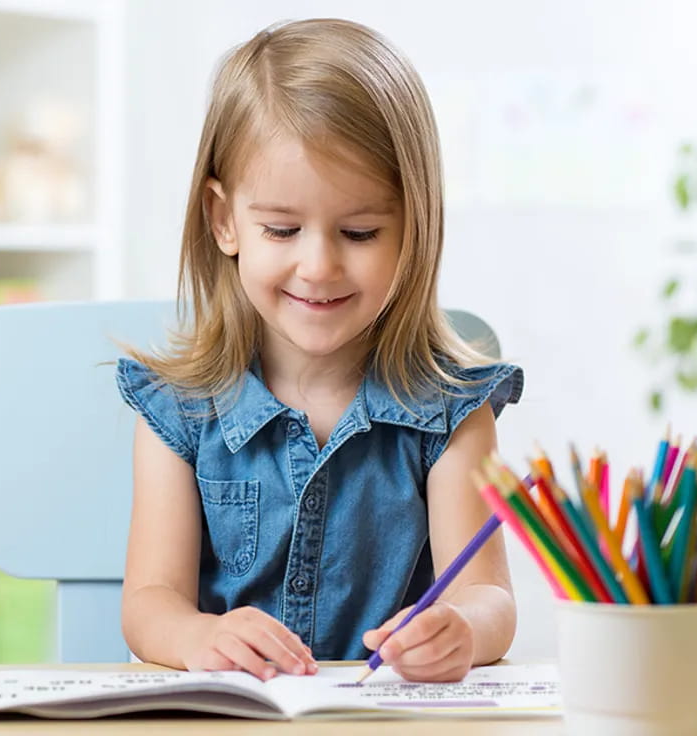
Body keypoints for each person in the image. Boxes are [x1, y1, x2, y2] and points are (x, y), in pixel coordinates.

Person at [116, 17, 524, 683]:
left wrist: (462, 629)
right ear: (224, 222)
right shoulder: (177, 411)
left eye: (360, 232)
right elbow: (148, 604)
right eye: (282, 228)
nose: (318, 265)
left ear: (414, 229)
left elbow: (491, 599)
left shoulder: (453, 411)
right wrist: (201, 637)